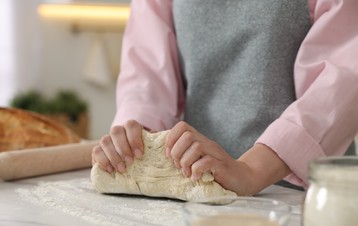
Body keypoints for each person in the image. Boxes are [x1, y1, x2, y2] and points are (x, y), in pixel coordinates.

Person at [91, 0, 358, 196]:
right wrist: (136, 143)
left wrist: (252, 171)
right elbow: (147, 71)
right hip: (197, 189)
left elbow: (343, 80)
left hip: (311, 199)